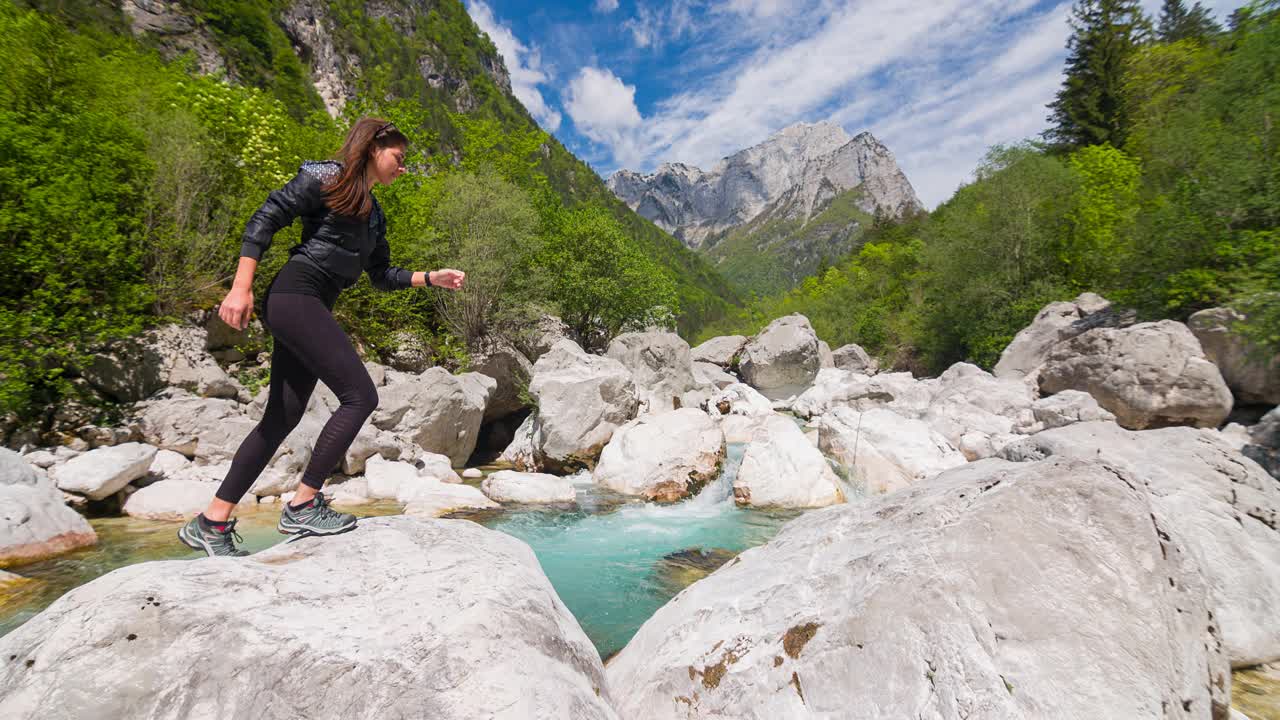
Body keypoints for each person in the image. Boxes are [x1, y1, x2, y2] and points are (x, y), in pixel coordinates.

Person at [179, 117, 465, 557]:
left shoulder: (374, 215)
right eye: (398, 158)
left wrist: (432, 278)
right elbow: (265, 219)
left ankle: (211, 522)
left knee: (281, 419)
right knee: (360, 396)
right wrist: (240, 287)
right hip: (295, 296)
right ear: (373, 147)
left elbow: (381, 276)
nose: (402, 168)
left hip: (308, 304)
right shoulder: (326, 176)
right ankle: (304, 503)